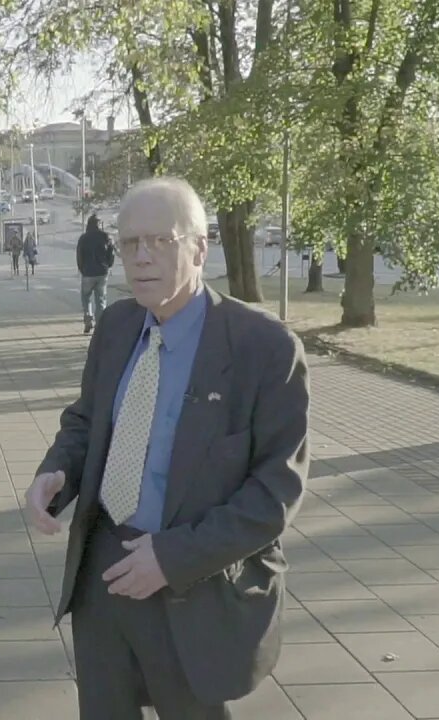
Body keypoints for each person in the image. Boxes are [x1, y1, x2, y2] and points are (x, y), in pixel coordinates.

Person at [23, 176, 309, 719]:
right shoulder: (116, 325)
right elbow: (86, 423)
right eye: (129, 243)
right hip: (102, 572)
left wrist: (173, 558)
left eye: (160, 241)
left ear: (200, 248)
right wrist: (56, 472)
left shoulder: (264, 348)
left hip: (195, 585)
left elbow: (276, 492)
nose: (141, 257)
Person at [77, 214, 116, 334]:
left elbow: (79, 255)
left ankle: (88, 320)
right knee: (101, 299)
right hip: (102, 272)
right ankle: (100, 325)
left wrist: (82, 269)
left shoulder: (84, 238)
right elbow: (111, 253)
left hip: (88, 272)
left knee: (86, 297)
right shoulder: (105, 237)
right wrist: (108, 265)